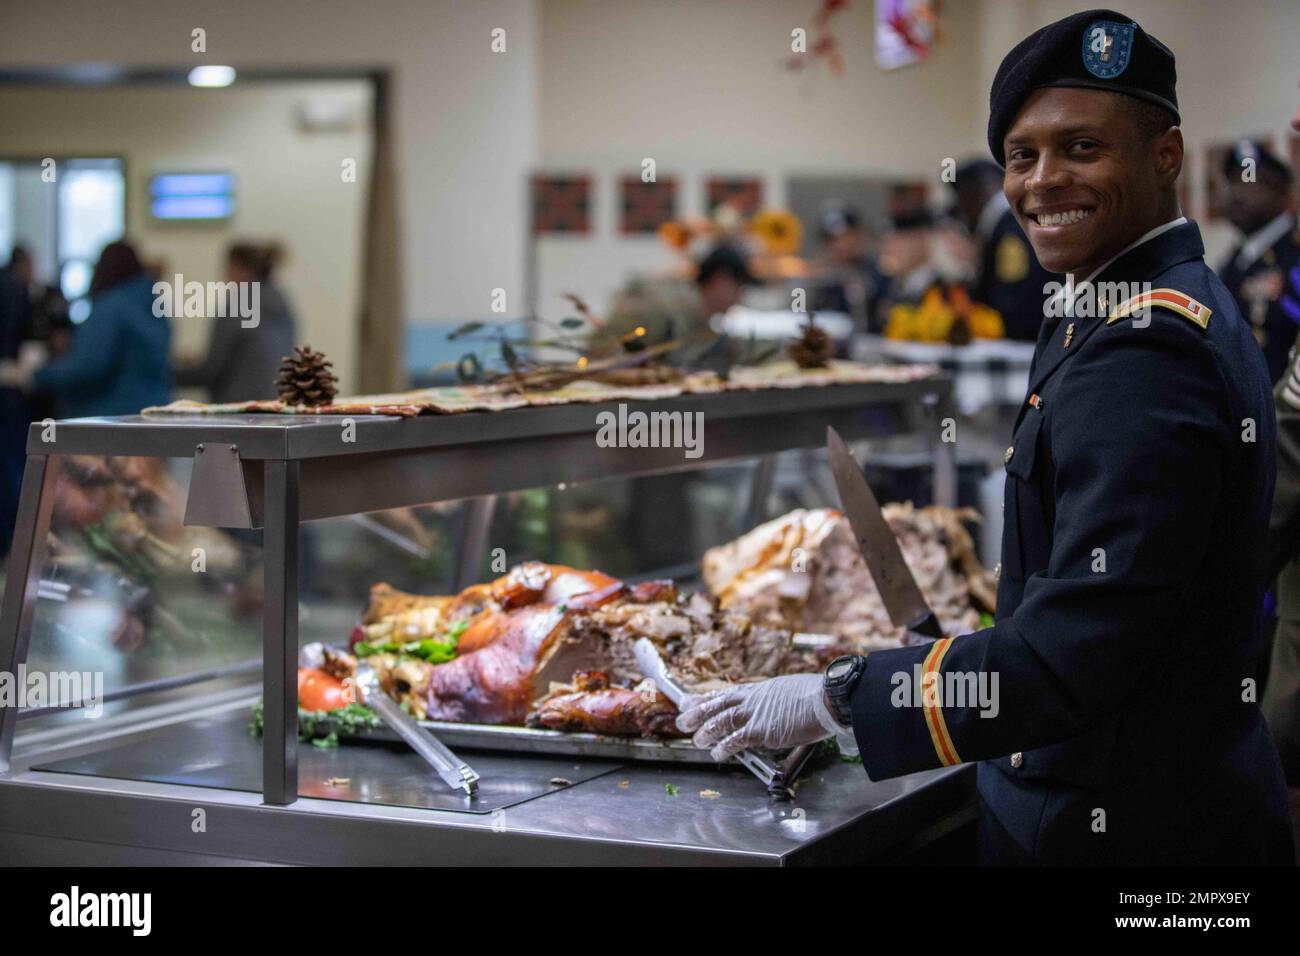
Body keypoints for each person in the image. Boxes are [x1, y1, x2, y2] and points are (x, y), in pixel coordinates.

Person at [677, 8, 1294, 865]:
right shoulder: (1107, 299)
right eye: (1022, 155)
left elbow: (1072, 656)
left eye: (1081, 148)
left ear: (1166, 156)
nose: (1042, 180)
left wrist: (843, 697)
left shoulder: (1147, 345)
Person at [0, 240, 171, 418]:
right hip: (153, 413)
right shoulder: (153, 306)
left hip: (110, 417)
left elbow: (87, 367)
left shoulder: (111, 307)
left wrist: (33, 376)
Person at [1216, 140, 1299, 384]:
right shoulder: (1234, 262)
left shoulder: (1294, 258)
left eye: (1251, 180)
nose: (1237, 192)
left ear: (1281, 191)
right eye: (1233, 180)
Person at [949, 157, 1057, 341]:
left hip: (1022, 345)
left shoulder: (1009, 229)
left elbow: (1015, 300)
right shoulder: (1014, 222)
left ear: (971, 194)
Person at [175, 241, 297, 402]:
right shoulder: (281, 303)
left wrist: (161, 373)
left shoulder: (238, 305)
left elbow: (210, 371)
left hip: (237, 410)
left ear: (238, 268)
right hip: (275, 403)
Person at [811, 202, 887, 332]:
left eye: (848, 237)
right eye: (833, 240)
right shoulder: (818, 279)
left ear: (860, 236)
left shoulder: (880, 272)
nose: (842, 245)